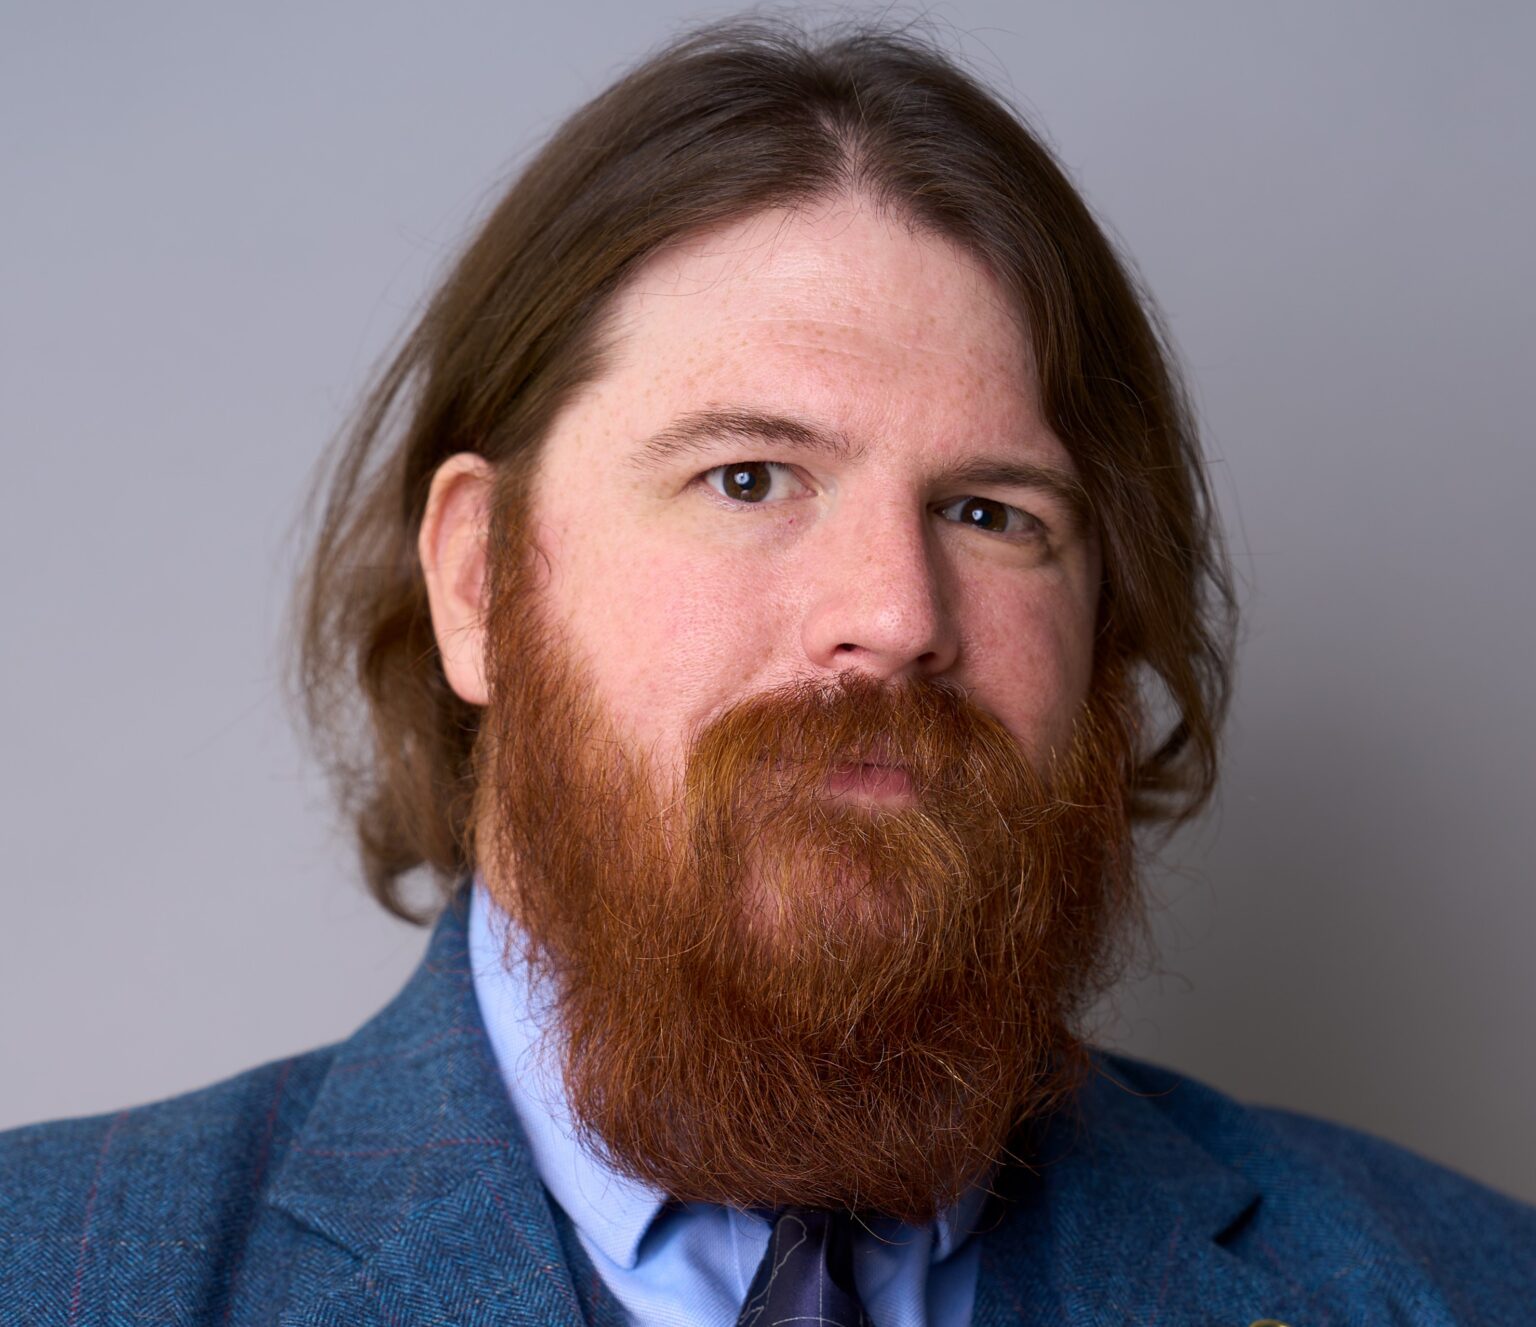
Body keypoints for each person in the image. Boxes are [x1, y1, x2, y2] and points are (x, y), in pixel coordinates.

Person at [2, 18, 1531, 1326]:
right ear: (477, 581)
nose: (896, 615)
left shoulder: (1468, 1284)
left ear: (1105, 633)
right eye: (748, 478)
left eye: (993, 513)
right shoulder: (50, 1271)